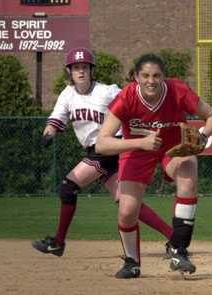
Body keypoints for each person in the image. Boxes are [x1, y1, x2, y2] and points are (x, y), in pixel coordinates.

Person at [32, 47, 174, 257]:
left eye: (85, 67)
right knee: (126, 203)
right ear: (68, 72)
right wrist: (49, 133)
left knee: (68, 186)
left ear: (92, 71)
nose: (81, 71)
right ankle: (174, 237)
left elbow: (134, 99)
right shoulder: (68, 95)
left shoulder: (106, 91)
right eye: (76, 67)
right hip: (97, 151)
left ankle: (59, 242)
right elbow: (56, 118)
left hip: (111, 146)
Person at [96, 53, 212, 278]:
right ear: (136, 77)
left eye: (156, 75)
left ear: (164, 76)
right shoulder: (126, 98)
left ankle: (179, 251)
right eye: (145, 75)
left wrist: (203, 135)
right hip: (137, 149)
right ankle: (132, 262)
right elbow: (102, 144)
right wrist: (140, 142)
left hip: (173, 146)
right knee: (126, 211)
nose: (150, 81)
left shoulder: (177, 90)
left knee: (188, 182)